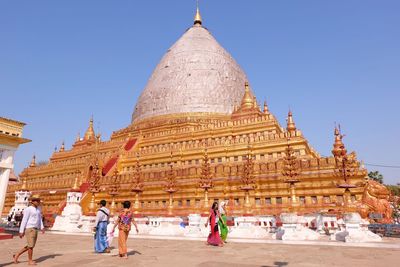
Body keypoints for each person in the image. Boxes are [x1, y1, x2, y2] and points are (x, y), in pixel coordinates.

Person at [13, 195, 45, 265]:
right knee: (30, 246)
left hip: (35, 229)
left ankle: (16, 255)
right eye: (37, 200)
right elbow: (24, 220)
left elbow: (40, 219)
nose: (38, 202)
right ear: (32, 201)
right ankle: (30, 260)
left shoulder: (38, 209)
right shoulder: (28, 209)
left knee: (31, 245)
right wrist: (21, 231)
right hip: (30, 228)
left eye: (39, 200)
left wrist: (42, 227)